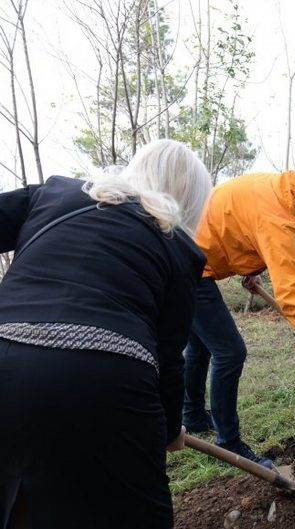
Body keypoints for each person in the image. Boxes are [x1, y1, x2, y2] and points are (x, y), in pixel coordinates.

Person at [0, 139, 211, 529]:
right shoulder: (180, 246)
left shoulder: (55, 192)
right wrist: (167, 430)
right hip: (105, 376)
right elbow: (167, 358)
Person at [182, 169, 295, 468]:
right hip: (187, 266)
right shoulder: (281, 220)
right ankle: (229, 443)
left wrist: (251, 264)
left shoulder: (280, 189)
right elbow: (292, 295)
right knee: (230, 351)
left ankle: (193, 415)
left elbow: (243, 222)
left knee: (201, 344)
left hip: (186, 251)